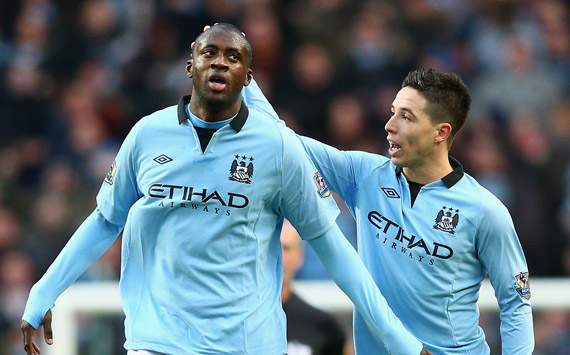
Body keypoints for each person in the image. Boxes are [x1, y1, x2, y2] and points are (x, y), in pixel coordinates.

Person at [20, 24, 430, 355]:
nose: (219, 63)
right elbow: (106, 220)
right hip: (158, 342)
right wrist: (44, 291)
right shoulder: (147, 134)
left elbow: (334, 250)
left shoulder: (277, 147)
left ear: (248, 77)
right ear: (190, 66)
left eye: (233, 57)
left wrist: (398, 340)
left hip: (247, 344)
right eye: (209, 53)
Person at [243, 68, 534, 354]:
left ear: (441, 132)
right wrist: (243, 76)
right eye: (393, 112)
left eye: (406, 116)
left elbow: (515, 301)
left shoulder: (484, 210)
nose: (390, 125)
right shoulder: (366, 175)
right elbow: (282, 139)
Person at [280, 220, 347, 355]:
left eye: (286, 248)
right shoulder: (237, 316)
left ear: (299, 257)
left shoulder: (324, 326)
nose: (279, 256)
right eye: (273, 247)